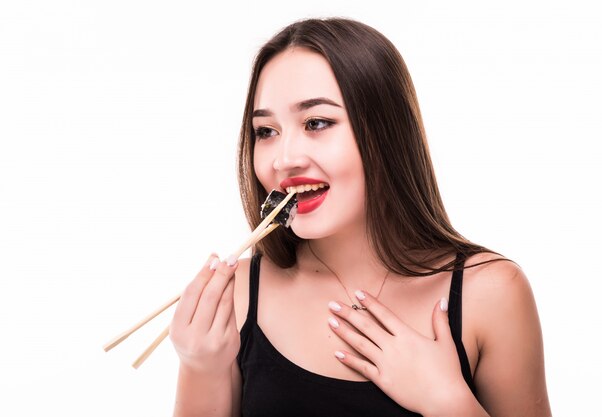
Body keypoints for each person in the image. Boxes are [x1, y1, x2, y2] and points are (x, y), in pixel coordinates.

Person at [169, 18, 551, 417]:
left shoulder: (490, 293)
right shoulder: (236, 297)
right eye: (266, 131)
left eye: (317, 123)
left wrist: (449, 402)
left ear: (387, 132)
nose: (284, 159)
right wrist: (203, 368)